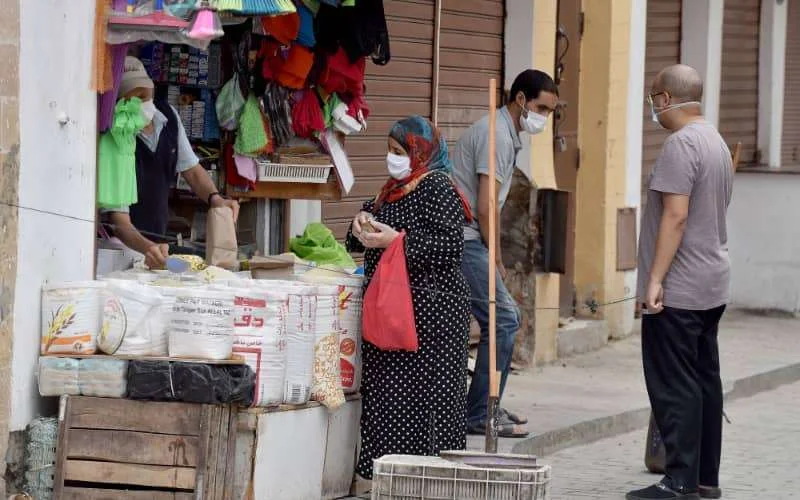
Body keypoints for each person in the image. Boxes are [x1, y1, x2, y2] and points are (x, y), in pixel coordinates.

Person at [627, 64, 733, 500]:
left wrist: (654, 280)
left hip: (680, 289)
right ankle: (705, 479)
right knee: (706, 382)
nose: (652, 106)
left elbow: (677, 215)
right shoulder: (717, 141)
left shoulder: (680, 144)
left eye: (654, 98)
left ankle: (679, 482)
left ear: (666, 99)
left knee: (675, 385)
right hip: (712, 283)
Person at [347, 116, 472, 480]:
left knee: (423, 404)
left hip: (430, 320)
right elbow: (358, 239)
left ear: (420, 153)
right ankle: (388, 478)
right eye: (389, 150)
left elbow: (450, 247)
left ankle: (424, 479)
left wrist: (395, 241)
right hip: (391, 314)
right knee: (386, 401)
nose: (392, 158)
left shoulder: (436, 187)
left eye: (399, 151)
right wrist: (359, 226)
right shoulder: (392, 189)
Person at [452, 69, 558, 438]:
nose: (544, 118)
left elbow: (491, 204)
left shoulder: (506, 133)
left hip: (474, 238)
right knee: (505, 320)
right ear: (521, 100)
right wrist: (493, 251)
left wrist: (493, 252)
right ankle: (480, 412)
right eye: (542, 108)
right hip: (464, 239)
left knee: (501, 319)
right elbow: (485, 206)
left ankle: (488, 404)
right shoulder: (495, 133)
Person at [101, 57, 239, 269]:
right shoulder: (118, 135)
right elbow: (119, 220)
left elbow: (191, 169)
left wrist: (215, 199)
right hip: (121, 247)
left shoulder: (168, 117)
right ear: (121, 103)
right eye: (137, 97)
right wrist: (147, 248)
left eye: (148, 95)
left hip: (157, 242)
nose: (146, 104)